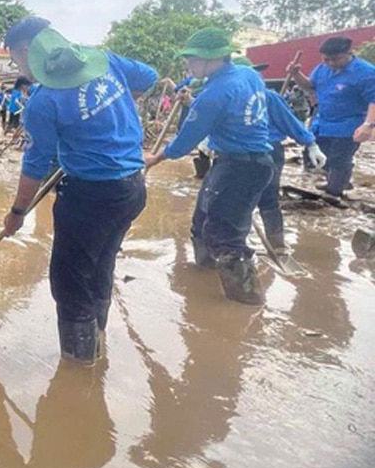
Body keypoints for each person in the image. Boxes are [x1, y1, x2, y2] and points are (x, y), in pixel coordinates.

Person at [2, 16, 156, 365]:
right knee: (100, 268)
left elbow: (36, 165)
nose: (20, 68)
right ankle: (96, 346)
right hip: (132, 187)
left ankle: (78, 368)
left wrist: (16, 214)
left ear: (28, 51)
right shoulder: (105, 60)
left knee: (69, 282)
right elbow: (147, 76)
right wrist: (111, 115)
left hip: (90, 197)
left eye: (16, 61)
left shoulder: (43, 102)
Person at [145, 27, 273, 305]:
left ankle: (246, 303)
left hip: (239, 167)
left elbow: (183, 143)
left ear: (211, 59)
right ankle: (204, 274)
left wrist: (155, 158)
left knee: (226, 238)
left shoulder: (214, 94)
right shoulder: (248, 75)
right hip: (246, 163)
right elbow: (229, 109)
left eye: (192, 60)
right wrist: (193, 102)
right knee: (202, 223)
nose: (188, 65)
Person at [233, 56, 327, 252]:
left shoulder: (269, 97)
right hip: (237, 153)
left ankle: (277, 245)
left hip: (268, 151)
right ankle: (236, 245)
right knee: (239, 201)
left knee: (267, 199)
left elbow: (290, 122)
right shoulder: (227, 97)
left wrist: (310, 144)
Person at [287, 36, 375, 198]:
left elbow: (373, 100)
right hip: (322, 123)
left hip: (348, 126)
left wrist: (368, 125)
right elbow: (310, 86)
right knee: (313, 156)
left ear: (349, 53)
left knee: (339, 159)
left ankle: (335, 193)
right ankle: (324, 184)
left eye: (335, 59)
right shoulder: (322, 69)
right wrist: (296, 74)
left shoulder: (366, 73)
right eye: (326, 59)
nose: (331, 63)